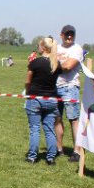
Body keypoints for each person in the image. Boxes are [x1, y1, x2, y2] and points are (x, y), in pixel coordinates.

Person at [24, 37, 62, 165]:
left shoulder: (35, 63)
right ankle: (51, 158)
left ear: (44, 48)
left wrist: (27, 91)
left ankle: (32, 157)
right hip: (52, 99)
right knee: (49, 129)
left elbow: (27, 81)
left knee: (35, 129)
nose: (37, 48)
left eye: (39, 46)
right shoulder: (56, 64)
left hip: (35, 99)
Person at [55, 25, 84, 162]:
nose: (69, 36)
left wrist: (53, 65)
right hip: (55, 86)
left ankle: (76, 151)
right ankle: (59, 149)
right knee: (57, 118)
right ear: (61, 35)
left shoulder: (77, 49)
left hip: (70, 87)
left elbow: (68, 66)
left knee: (73, 119)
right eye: (67, 34)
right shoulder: (56, 48)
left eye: (72, 34)